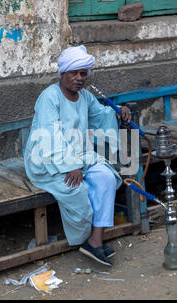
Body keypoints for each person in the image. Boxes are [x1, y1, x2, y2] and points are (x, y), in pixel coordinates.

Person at [23, 45, 132, 266]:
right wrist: (70, 165)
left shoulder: (85, 97)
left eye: (83, 73)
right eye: (74, 73)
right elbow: (49, 136)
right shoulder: (49, 98)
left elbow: (101, 117)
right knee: (78, 190)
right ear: (63, 73)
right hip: (47, 160)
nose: (79, 78)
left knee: (106, 178)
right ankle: (84, 239)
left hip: (79, 155)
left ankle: (94, 240)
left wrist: (119, 111)